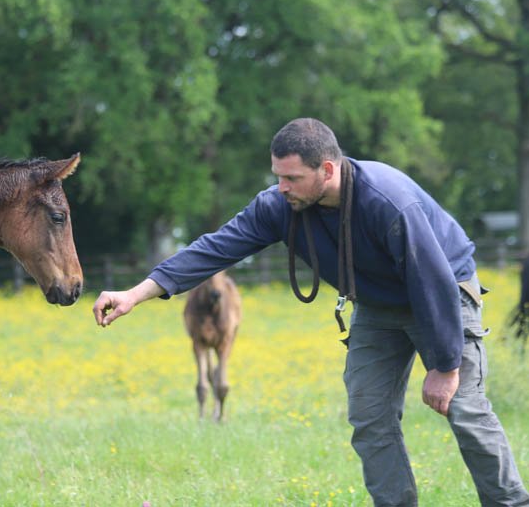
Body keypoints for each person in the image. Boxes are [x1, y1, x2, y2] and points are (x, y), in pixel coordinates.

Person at [92, 118, 529, 506]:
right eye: (277, 176)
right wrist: (136, 293)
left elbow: (431, 279)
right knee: (369, 417)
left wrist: (446, 367)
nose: (281, 187)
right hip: (377, 306)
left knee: (465, 410)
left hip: (442, 294)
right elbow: (213, 249)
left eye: (292, 178)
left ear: (328, 170)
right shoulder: (280, 206)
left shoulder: (388, 201)